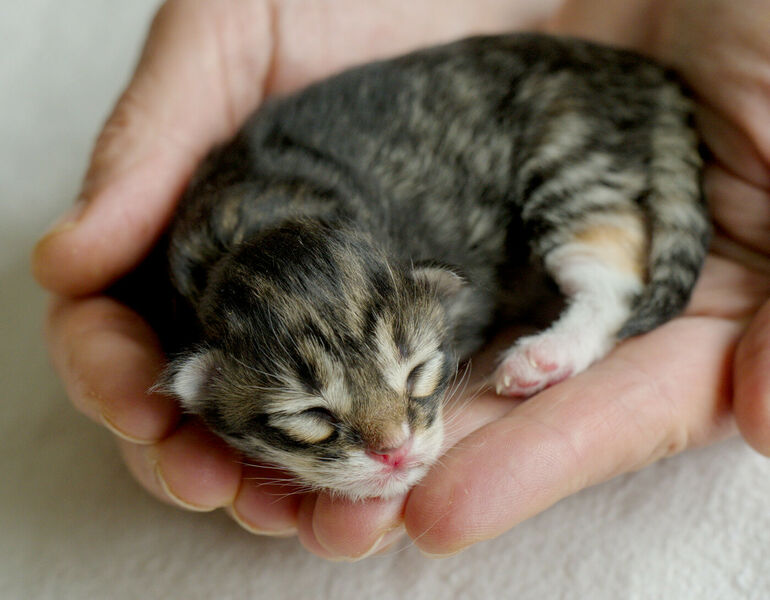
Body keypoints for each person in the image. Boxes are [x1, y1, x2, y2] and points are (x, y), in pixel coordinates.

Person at [33, 0, 770, 559]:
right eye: (316, 421)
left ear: (432, 291)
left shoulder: (412, 273)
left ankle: (602, 306)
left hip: (564, 101)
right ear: (204, 394)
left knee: (575, 221)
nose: (398, 446)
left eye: (418, 375)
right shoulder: (202, 335)